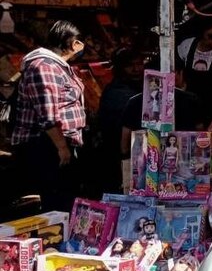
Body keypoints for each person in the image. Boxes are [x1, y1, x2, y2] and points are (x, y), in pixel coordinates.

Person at [11, 20, 87, 214]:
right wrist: (62, 147)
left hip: (57, 144)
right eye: (81, 42)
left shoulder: (58, 66)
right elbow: (47, 113)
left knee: (64, 200)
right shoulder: (44, 66)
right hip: (46, 146)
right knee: (55, 203)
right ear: (74, 43)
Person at [98, 48, 145, 192]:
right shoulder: (117, 92)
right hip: (118, 154)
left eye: (139, 64)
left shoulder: (137, 88)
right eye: (130, 65)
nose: (136, 69)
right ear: (120, 68)